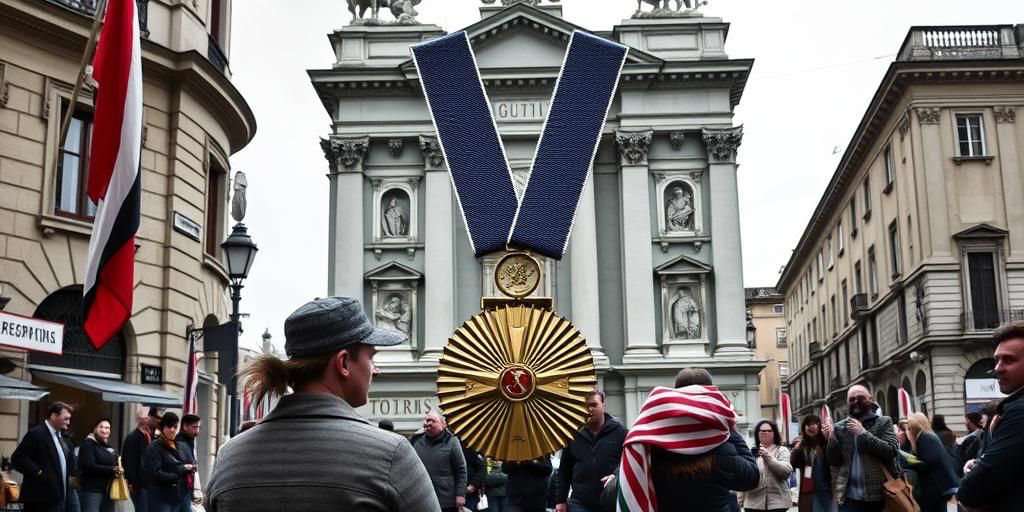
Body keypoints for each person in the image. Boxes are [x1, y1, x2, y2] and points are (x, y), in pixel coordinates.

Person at [206, 296, 437, 511]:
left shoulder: (229, 457)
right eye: (371, 357)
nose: (376, 370)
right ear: (344, 362)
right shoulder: (391, 455)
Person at [601, 384, 758, 512]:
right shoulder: (721, 452)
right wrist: (730, 429)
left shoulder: (650, 452)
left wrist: (617, 475)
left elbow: (610, 500)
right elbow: (751, 478)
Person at [958, 321, 1024, 511]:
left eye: (1009, 360)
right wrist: (978, 463)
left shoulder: (1019, 410)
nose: (998, 368)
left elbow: (979, 484)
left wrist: (968, 487)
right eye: (997, 360)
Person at [825, 385, 900, 512]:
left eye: (861, 398)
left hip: (879, 495)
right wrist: (831, 439)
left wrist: (863, 433)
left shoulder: (883, 422)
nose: (856, 402)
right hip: (848, 497)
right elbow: (833, 460)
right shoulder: (840, 427)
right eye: (852, 399)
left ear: (870, 399)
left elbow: (891, 450)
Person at [554, 390, 627, 512]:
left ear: (604, 405)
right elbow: (564, 471)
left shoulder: (619, 433)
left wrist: (615, 475)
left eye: (594, 405)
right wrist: (560, 501)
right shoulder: (573, 435)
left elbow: (628, 463)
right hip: (579, 503)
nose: (589, 409)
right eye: (585, 406)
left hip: (610, 502)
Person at [12, 401, 75, 512]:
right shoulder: (36, 433)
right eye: (65, 419)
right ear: (54, 416)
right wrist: (38, 472)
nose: (68, 422)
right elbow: (18, 458)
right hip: (40, 499)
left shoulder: (62, 437)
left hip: (60, 498)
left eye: (69, 419)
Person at [410, 411, 468, 512]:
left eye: (431, 420)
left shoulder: (452, 441)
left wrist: (460, 494)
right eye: (425, 420)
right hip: (422, 497)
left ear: (443, 424)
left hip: (446, 500)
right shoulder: (415, 441)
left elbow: (461, 470)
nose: (427, 423)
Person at [903, 413, 959, 512]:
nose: (909, 429)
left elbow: (929, 463)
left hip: (936, 485)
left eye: (911, 427)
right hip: (940, 483)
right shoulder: (928, 436)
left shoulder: (925, 438)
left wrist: (910, 464)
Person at [738, 420, 792, 512]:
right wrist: (740, 497)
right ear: (757, 434)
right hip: (753, 503)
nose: (766, 433)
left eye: (769, 431)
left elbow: (785, 472)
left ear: (774, 433)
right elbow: (743, 476)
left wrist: (767, 456)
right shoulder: (750, 453)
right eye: (762, 431)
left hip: (777, 503)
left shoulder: (782, 450)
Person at [144, 412, 194, 512]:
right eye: (169, 426)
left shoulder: (177, 444)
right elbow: (155, 473)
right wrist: (178, 474)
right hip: (160, 497)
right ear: (163, 427)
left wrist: (186, 468)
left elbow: (176, 465)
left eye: (175, 427)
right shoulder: (155, 446)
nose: (172, 430)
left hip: (176, 496)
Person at [790, 415, 834, 512]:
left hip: (829, 490)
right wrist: (796, 448)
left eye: (814, 424)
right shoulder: (802, 445)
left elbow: (834, 459)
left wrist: (829, 439)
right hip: (810, 491)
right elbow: (794, 463)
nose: (811, 427)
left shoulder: (825, 442)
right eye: (808, 424)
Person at [123, 406, 161, 512]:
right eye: (157, 418)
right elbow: (129, 462)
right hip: (140, 486)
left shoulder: (153, 437)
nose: (159, 420)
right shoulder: (134, 437)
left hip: (152, 486)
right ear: (146, 418)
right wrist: (134, 483)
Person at [78, 419, 120, 512]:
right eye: (101, 427)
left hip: (109, 492)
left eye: (107, 428)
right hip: (92, 491)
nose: (104, 430)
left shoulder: (109, 448)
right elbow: (89, 466)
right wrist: (112, 469)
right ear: (95, 429)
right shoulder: (88, 445)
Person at [176, 414, 202, 511]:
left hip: (186, 490)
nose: (197, 431)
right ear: (185, 426)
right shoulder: (180, 443)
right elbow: (180, 467)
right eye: (195, 427)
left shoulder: (188, 442)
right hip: (181, 490)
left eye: (198, 427)